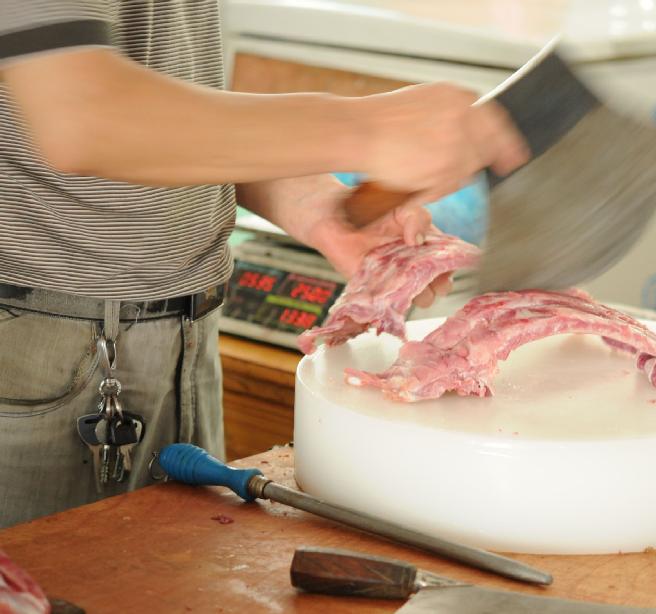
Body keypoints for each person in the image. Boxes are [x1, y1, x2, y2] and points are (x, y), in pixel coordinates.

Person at [0, 1, 528, 528]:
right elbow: (81, 116)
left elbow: (165, 86)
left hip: (183, 332)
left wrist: (311, 201)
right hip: (36, 350)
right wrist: (372, 128)